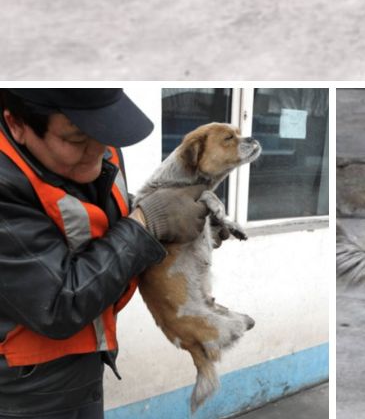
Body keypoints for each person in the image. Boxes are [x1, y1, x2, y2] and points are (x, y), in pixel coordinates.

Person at [0, 89, 210, 419]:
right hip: (23, 397)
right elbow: (56, 305)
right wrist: (145, 222)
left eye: (104, 132)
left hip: (84, 372)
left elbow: (86, 215)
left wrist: (176, 218)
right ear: (16, 124)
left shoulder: (98, 143)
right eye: (77, 138)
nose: (98, 150)